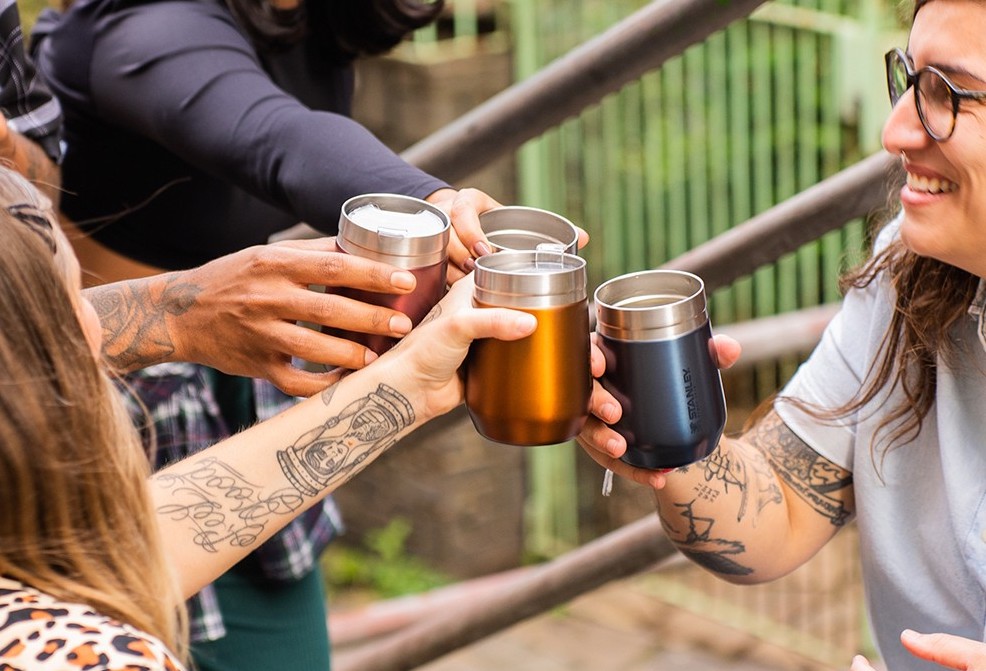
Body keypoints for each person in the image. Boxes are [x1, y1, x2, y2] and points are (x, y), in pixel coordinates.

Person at [29, 1, 528, 666]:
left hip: (239, 372)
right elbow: (271, 135)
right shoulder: (141, 22)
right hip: (97, 397)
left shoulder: (310, 15)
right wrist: (434, 202)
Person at [0, 162, 552, 669]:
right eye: (69, 298)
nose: (96, 329)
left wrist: (409, 387)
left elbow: (113, 553)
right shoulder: (96, 656)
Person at [578, 1, 986, 669]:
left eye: (946, 95)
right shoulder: (908, 276)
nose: (895, 131)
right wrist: (670, 432)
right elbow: (782, 508)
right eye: (909, 80)